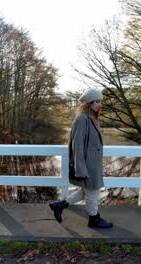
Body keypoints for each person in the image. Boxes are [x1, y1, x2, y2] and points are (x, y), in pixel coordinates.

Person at [49, 87, 113, 228]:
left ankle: (59, 205)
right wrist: (81, 169)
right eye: (97, 101)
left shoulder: (89, 118)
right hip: (87, 165)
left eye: (100, 101)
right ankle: (94, 218)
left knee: (86, 191)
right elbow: (77, 147)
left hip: (92, 164)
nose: (100, 104)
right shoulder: (82, 119)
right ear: (88, 103)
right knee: (92, 192)